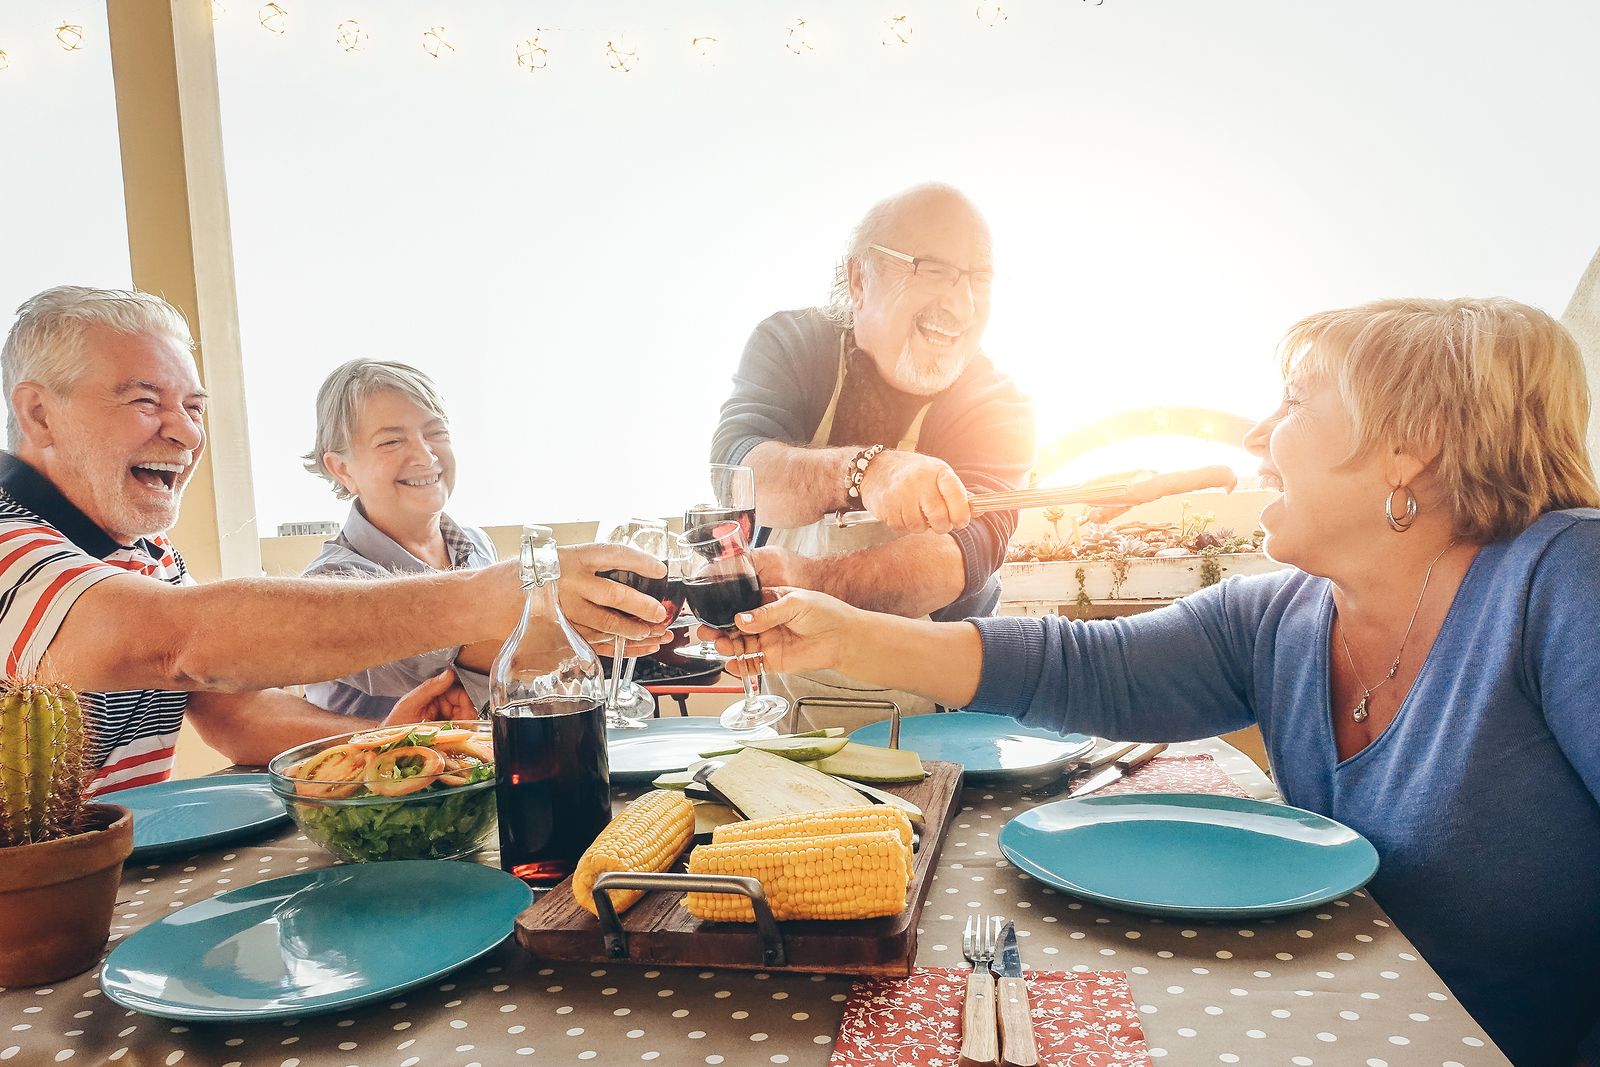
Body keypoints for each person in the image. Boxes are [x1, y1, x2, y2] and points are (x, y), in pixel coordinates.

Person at [710, 297, 1600, 1066]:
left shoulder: (1565, 582)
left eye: (1293, 400)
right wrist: (843, 633)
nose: (1257, 435)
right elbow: (1080, 665)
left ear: (1412, 447)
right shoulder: (1283, 617)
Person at [0, 286, 666, 794]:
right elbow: (182, 643)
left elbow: (243, 714)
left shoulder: (149, 555)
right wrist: (496, 594)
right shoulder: (8, 540)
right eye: (146, 402)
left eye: (193, 408)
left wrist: (392, 741)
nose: (186, 433)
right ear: (39, 413)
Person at [710, 182, 1034, 723]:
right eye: (932, 270)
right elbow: (740, 475)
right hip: (787, 707)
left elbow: (963, 557)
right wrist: (868, 472)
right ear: (861, 277)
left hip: (947, 713)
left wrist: (810, 583)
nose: (961, 304)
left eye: (978, 279)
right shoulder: (793, 346)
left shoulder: (996, 403)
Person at [299, 359, 501, 718]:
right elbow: (495, 651)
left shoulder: (477, 546)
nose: (425, 455)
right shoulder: (331, 584)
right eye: (391, 441)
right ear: (342, 469)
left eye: (436, 433)